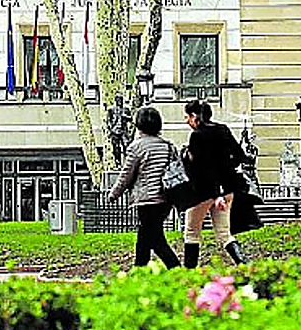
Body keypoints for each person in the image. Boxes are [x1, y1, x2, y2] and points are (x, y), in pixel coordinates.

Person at [106, 106, 181, 269]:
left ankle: (175, 268)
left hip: (146, 199)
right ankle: (140, 268)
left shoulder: (136, 147)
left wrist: (113, 194)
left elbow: (126, 175)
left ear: (138, 125)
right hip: (165, 199)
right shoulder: (168, 146)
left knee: (155, 238)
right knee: (146, 235)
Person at [181, 100, 250, 268]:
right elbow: (240, 156)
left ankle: (188, 274)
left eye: (187, 116)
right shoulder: (223, 130)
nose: (186, 120)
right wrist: (225, 170)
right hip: (227, 188)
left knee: (191, 233)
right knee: (224, 234)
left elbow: (202, 169)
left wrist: (186, 156)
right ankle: (245, 265)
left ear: (195, 117)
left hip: (203, 192)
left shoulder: (197, 136)